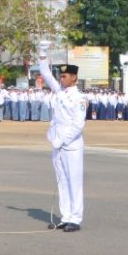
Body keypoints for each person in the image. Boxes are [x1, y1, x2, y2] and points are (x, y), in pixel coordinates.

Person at [38, 41, 86, 233]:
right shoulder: (59, 92)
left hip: (71, 146)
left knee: (74, 182)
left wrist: (63, 140)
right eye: (61, 75)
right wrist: (42, 52)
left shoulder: (79, 98)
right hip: (57, 144)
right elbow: (45, 73)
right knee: (62, 182)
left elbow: (78, 125)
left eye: (64, 76)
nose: (61, 78)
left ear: (74, 78)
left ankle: (76, 218)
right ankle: (66, 217)